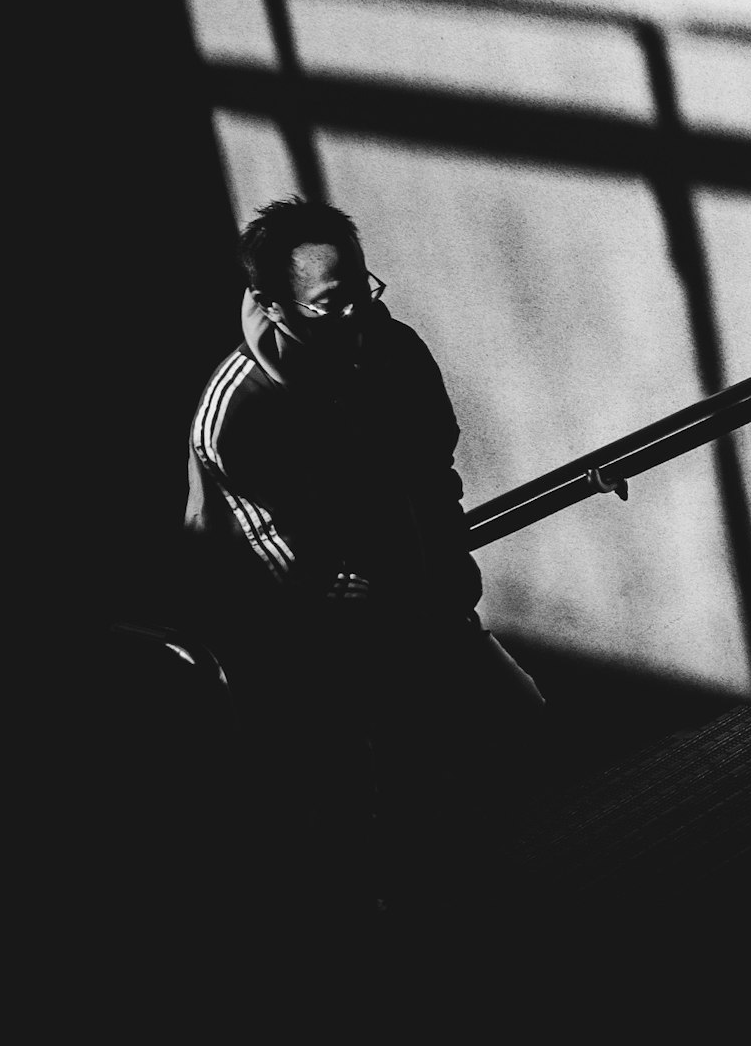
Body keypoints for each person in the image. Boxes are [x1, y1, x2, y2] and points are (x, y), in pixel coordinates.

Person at [186, 198, 542, 896]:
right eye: (331, 304)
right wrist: (363, 600)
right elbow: (264, 552)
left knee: (513, 722)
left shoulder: (393, 350)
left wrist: (444, 580)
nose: (357, 315)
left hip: (416, 602)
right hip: (315, 641)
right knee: (378, 801)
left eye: (362, 290)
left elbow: (434, 467)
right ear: (275, 306)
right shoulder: (241, 412)